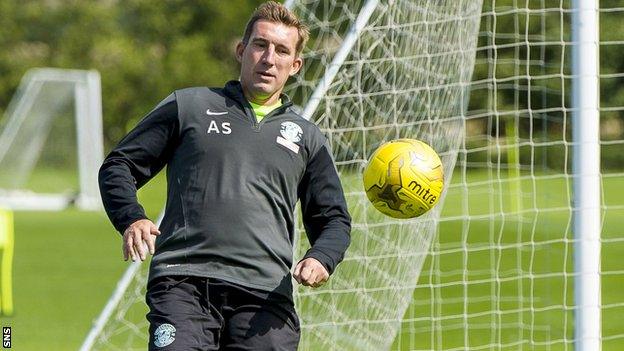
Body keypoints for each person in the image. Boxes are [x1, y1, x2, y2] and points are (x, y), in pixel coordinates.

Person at [98, 1, 351, 350]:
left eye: (281, 51)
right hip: (183, 283)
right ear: (241, 49)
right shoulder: (190, 106)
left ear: (295, 65)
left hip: (264, 296)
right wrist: (131, 217)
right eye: (260, 45)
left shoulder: (307, 137)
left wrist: (321, 257)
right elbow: (119, 165)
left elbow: (334, 219)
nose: (268, 58)